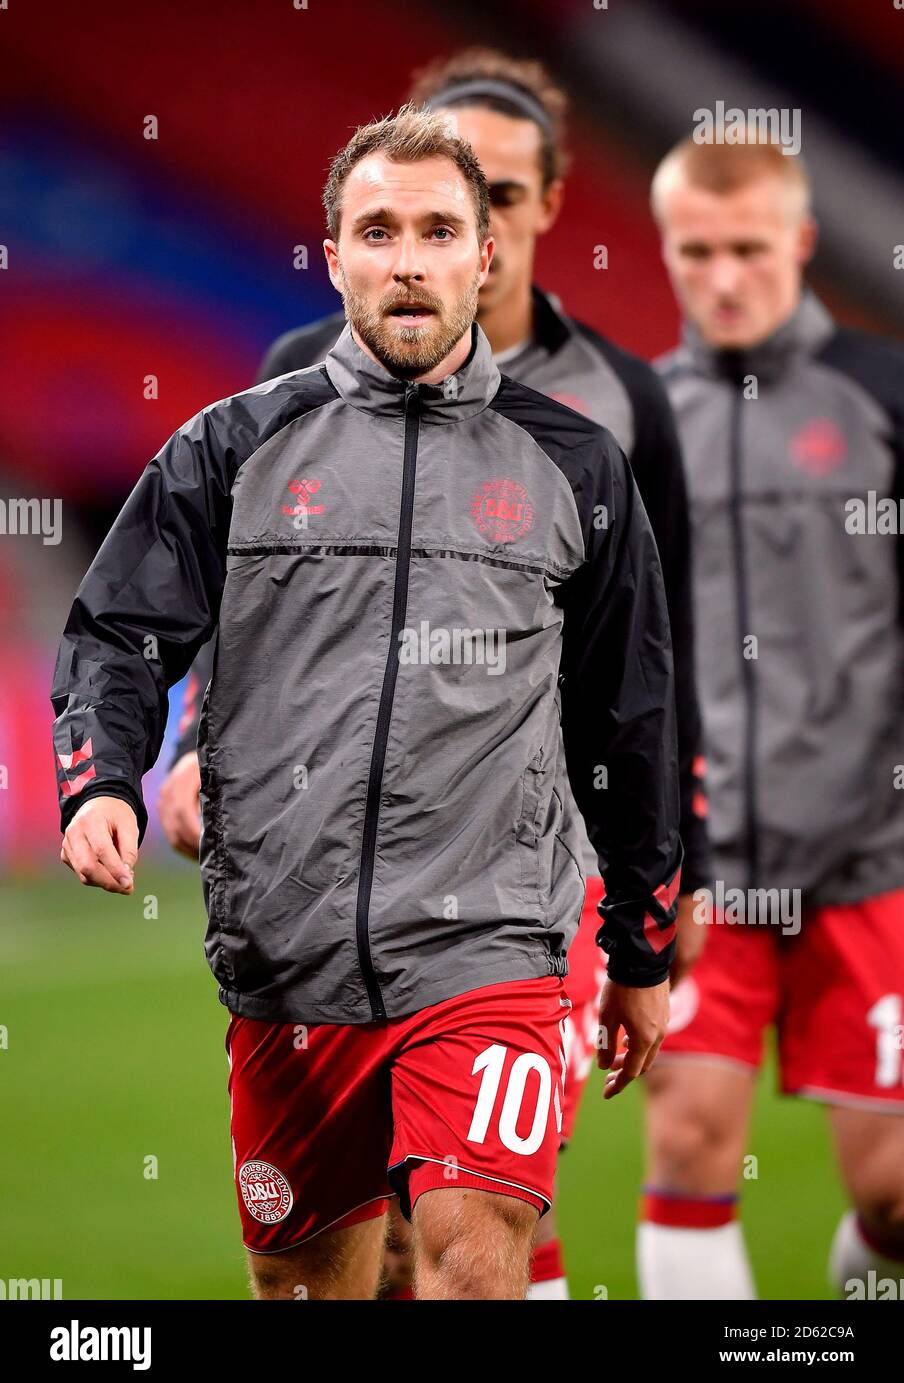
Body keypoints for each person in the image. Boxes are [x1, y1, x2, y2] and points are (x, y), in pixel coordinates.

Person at [52, 105, 682, 1301]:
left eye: (438, 229)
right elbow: (119, 635)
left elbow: (627, 717)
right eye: (377, 230)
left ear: (483, 255)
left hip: (491, 945)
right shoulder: (228, 448)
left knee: (474, 1259)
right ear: (333, 255)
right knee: (308, 1290)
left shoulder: (577, 465)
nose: (407, 259)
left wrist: (641, 942)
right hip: (288, 963)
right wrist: (101, 779)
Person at [638, 133, 904, 1300]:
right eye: (695, 253)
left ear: (797, 241)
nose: (723, 277)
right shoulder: (636, 423)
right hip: (706, 868)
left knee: (894, 1204)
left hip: (869, 859)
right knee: (689, 1138)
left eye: (747, 249)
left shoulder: (882, 399)